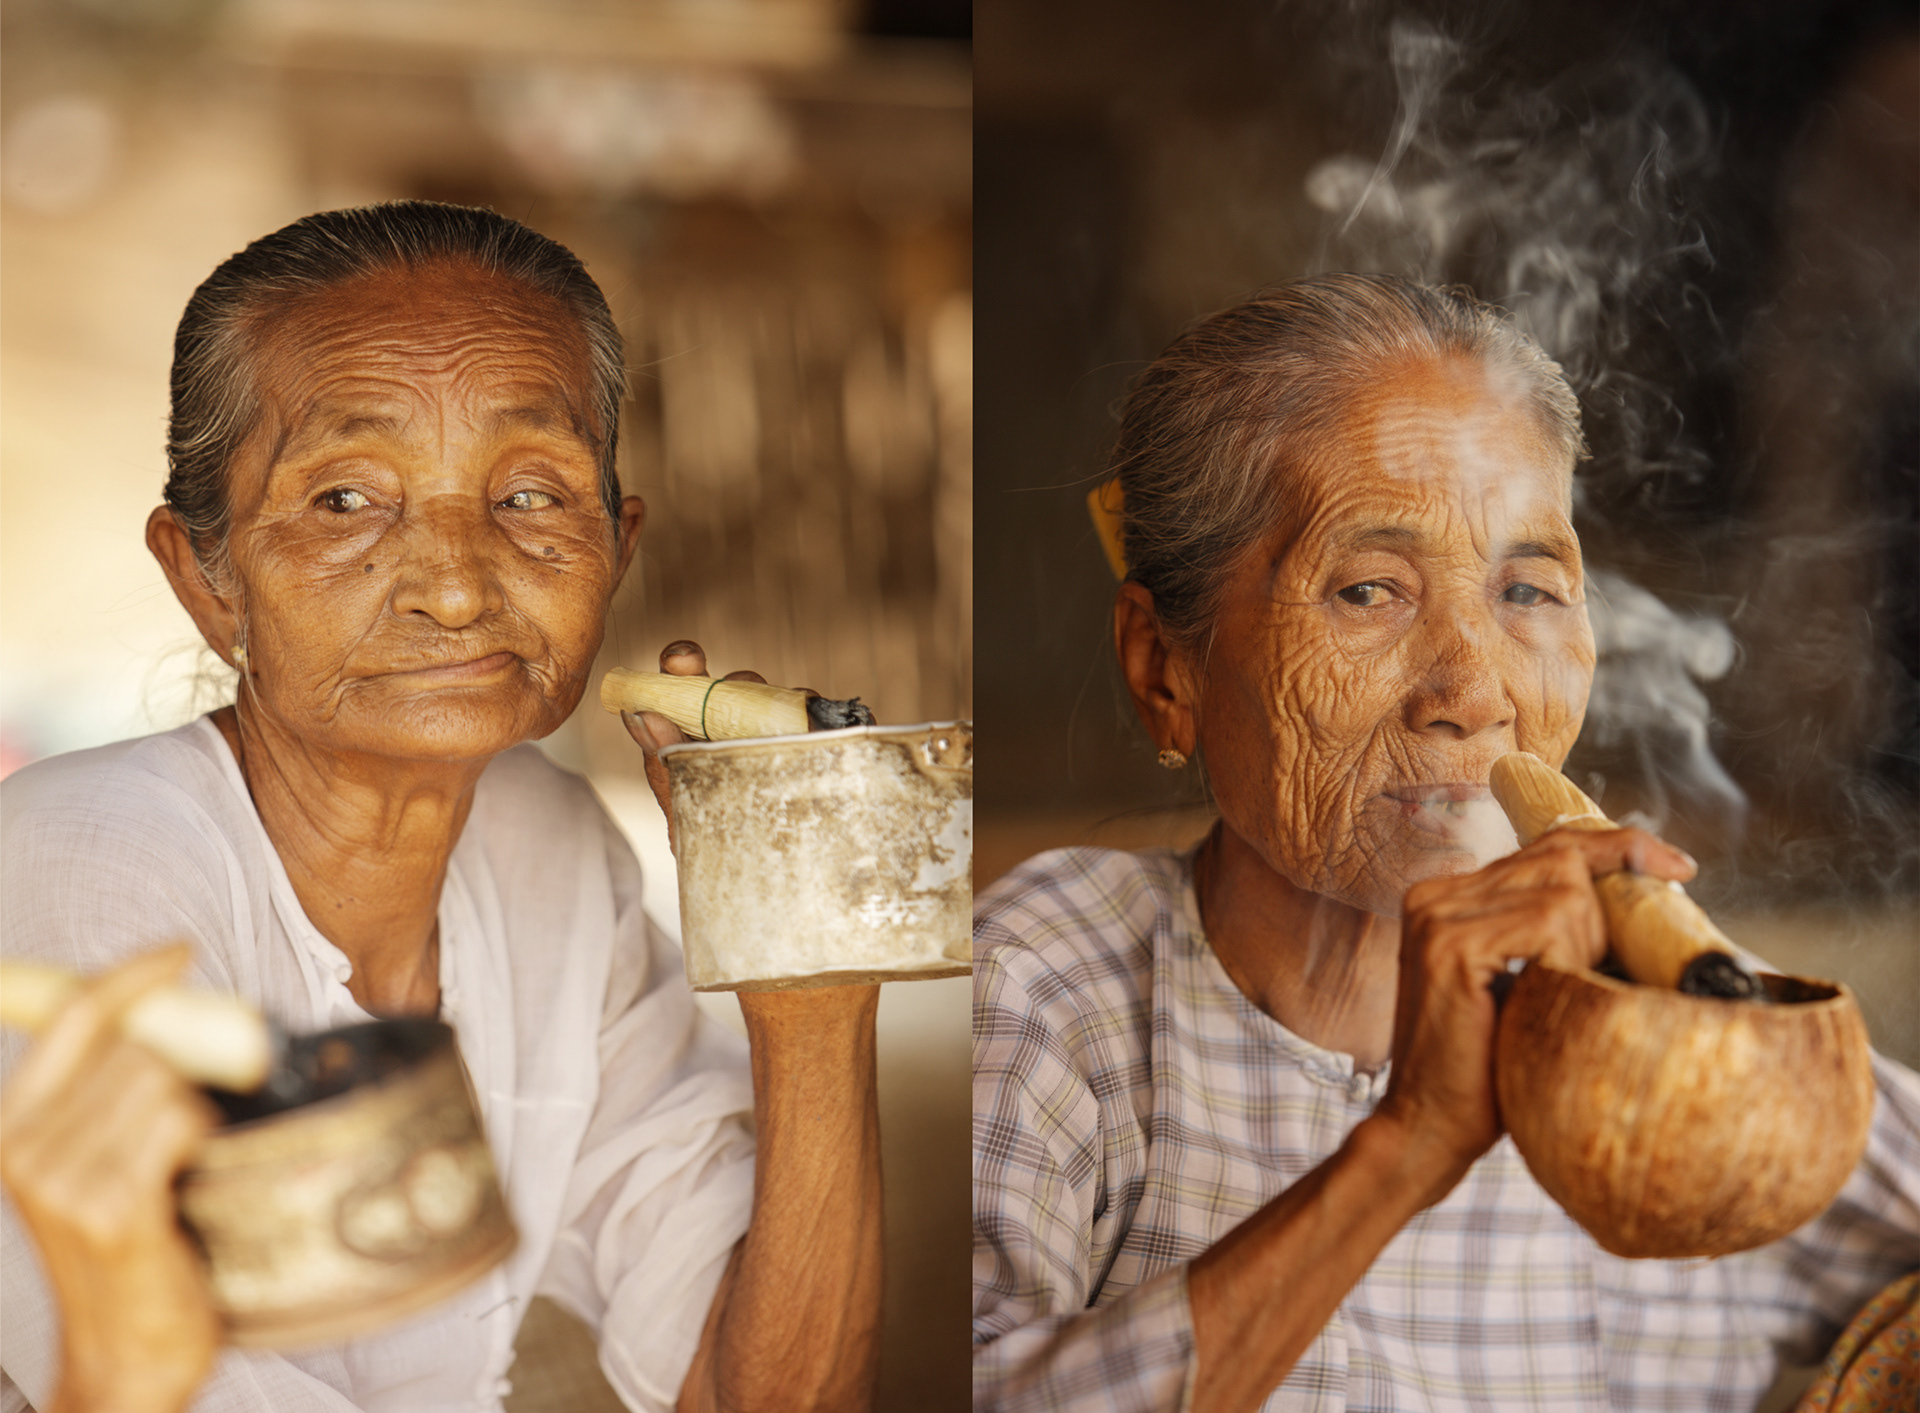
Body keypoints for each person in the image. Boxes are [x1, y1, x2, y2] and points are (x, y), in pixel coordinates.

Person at [971, 274, 1920, 1411]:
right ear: (1163, 670)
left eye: (1529, 590)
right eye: (1369, 590)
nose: (1473, 692)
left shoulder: (1698, 1047)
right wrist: (1410, 1141)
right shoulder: (1059, 979)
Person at [0, 203, 882, 1413]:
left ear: (616, 548)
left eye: (530, 494)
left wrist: (810, 980)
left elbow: (765, 1396)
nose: (459, 588)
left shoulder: (548, 853)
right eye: (346, 500)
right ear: (205, 578)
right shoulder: (81, 868)